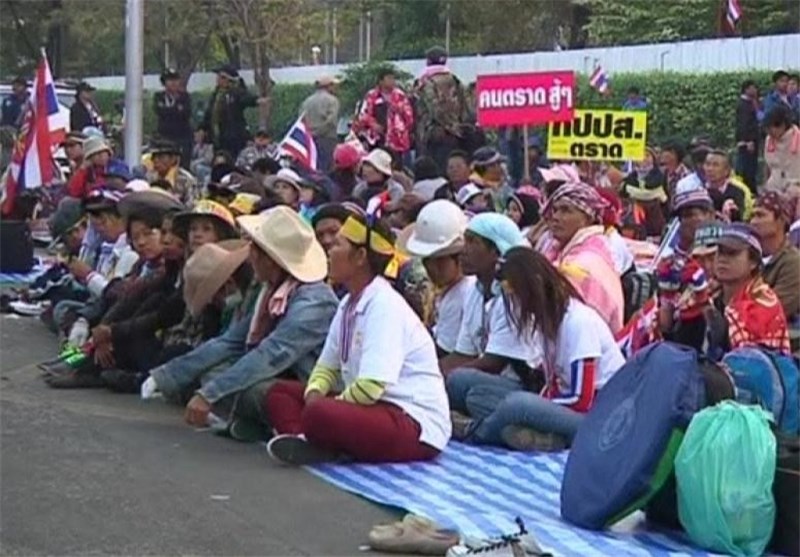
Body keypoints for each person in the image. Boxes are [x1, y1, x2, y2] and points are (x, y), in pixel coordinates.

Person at [263, 213, 450, 465]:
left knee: (320, 412)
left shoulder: (385, 305)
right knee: (280, 392)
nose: (328, 249)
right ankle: (306, 440)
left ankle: (315, 436)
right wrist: (314, 394)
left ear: (360, 257)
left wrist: (321, 408)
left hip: (412, 422)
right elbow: (326, 367)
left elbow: (371, 387)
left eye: (338, 244)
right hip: (371, 408)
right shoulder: (347, 304)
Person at [142, 207, 339, 442]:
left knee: (258, 391)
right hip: (282, 375)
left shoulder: (314, 302)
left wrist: (209, 395)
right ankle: (257, 425)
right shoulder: (271, 292)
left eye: (256, 250)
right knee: (213, 374)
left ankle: (300, 436)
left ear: (272, 259)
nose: (250, 255)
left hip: (313, 385)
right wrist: (168, 376)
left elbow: (272, 354)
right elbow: (231, 341)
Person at [454, 247, 624, 451]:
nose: (515, 304)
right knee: (462, 381)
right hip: (557, 401)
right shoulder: (544, 322)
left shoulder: (579, 322)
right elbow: (548, 382)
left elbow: (582, 400)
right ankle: (536, 435)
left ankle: (476, 431)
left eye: (517, 295)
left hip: (595, 417)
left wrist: (535, 406)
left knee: (517, 405)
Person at [539, 182, 624, 333]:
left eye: (566, 211)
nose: (556, 217)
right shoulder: (557, 248)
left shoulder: (589, 259)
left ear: (587, 219)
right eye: (555, 210)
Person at [400, 200, 474, 356]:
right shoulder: (449, 290)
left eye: (439, 262)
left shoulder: (461, 294)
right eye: (427, 261)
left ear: (458, 258)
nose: (431, 269)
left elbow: (443, 352)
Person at [710, 223, 791, 355]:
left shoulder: (764, 302)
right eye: (720, 251)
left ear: (753, 262)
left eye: (732, 253)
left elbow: (751, 362)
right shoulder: (707, 294)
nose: (722, 259)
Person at [656, 190, 716, 351]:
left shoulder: (728, 243)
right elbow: (666, 325)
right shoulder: (673, 261)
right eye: (683, 217)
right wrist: (667, 296)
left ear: (709, 214)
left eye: (692, 214)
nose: (687, 221)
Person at [749, 191, 800, 334]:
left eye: (760, 215)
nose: (753, 222)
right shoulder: (748, 256)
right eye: (752, 216)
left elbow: (774, 310)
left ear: (780, 221)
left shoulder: (793, 262)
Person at [413, 46, 469, 172]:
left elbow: (432, 108)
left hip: (432, 133)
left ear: (428, 61)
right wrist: (455, 126)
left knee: (433, 170)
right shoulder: (455, 80)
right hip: (455, 133)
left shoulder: (426, 82)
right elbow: (465, 107)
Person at [354, 68, 414, 162]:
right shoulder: (372, 95)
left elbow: (409, 116)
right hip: (377, 139)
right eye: (389, 78)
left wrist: (401, 128)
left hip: (397, 139)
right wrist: (373, 124)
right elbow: (364, 114)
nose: (392, 81)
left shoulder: (400, 95)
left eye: (393, 79)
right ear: (381, 81)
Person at [201, 65, 258, 158]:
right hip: (218, 138)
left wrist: (256, 100)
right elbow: (209, 113)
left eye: (222, 77)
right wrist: (202, 128)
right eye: (218, 77)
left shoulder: (235, 93)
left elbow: (245, 98)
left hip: (233, 137)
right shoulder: (216, 94)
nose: (218, 80)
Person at [154, 68, 193, 169]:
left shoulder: (185, 97)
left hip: (182, 137)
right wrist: (175, 109)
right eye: (170, 80)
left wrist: (171, 110)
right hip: (165, 136)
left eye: (175, 80)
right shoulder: (159, 97)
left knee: (183, 165)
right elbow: (160, 112)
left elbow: (185, 114)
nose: (173, 83)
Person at [300, 75, 340, 172]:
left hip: (309, 140)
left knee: (313, 167)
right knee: (327, 169)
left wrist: (310, 133)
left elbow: (301, 120)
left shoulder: (306, 101)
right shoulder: (332, 100)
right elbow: (331, 122)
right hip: (327, 139)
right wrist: (319, 131)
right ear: (329, 86)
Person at [144, 139, 200, 205]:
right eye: (154, 157)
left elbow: (192, 206)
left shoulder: (187, 180)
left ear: (173, 159)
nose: (156, 160)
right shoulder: (149, 177)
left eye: (161, 157)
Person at [703, 149, 752, 221]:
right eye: (707, 164)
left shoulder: (738, 191)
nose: (710, 169)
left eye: (715, 165)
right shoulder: (699, 191)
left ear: (726, 170)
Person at [459, 147, 512, 213]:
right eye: (493, 165)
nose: (500, 167)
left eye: (499, 163)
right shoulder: (468, 191)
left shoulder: (507, 187)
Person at [763, 105, 800, 194]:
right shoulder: (769, 140)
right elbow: (768, 167)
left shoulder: (797, 138)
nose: (769, 132)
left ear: (783, 125)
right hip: (774, 187)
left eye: (771, 128)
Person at [735, 80, 761, 193]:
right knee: (747, 167)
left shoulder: (751, 103)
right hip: (748, 142)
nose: (755, 90)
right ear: (746, 89)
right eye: (753, 88)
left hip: (752, 140)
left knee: (752, 166)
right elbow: (744, 124)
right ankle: (748, 191)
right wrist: (747, 140)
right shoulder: (743, 104)